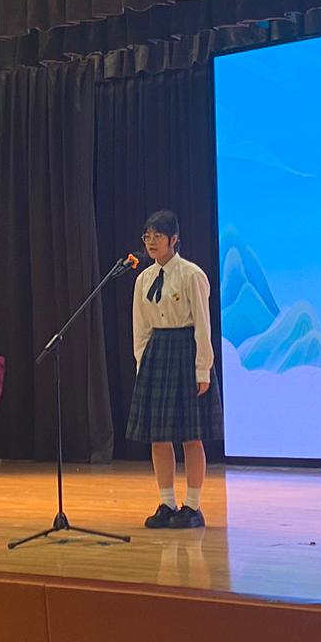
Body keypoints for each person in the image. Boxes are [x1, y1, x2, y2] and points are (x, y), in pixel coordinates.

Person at [128, 209, 221, 529]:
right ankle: (166, 502)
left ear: (174, 239)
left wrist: (202, 369)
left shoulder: (192, 275)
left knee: (190, 436)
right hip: (157, 354)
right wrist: (142, 364)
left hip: (185, 352)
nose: (152, 241)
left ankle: (192, 506)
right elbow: (140, 328)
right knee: (158, 436)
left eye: (158, 236)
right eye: (148, 236)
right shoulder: (143, 279)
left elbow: (203, 326)